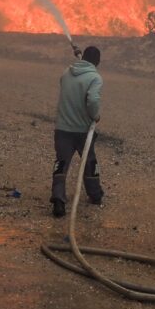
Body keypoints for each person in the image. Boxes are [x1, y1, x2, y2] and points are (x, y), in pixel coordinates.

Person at [50, 45, 105, 218]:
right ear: (97, 62)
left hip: (62, 128)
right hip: (82, 130)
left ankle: (58, 199)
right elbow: (93, 99)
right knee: (89, 162)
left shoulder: (66, 72)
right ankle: (95, 195)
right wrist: (95, 115)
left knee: (61, 163)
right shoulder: (95, 78)